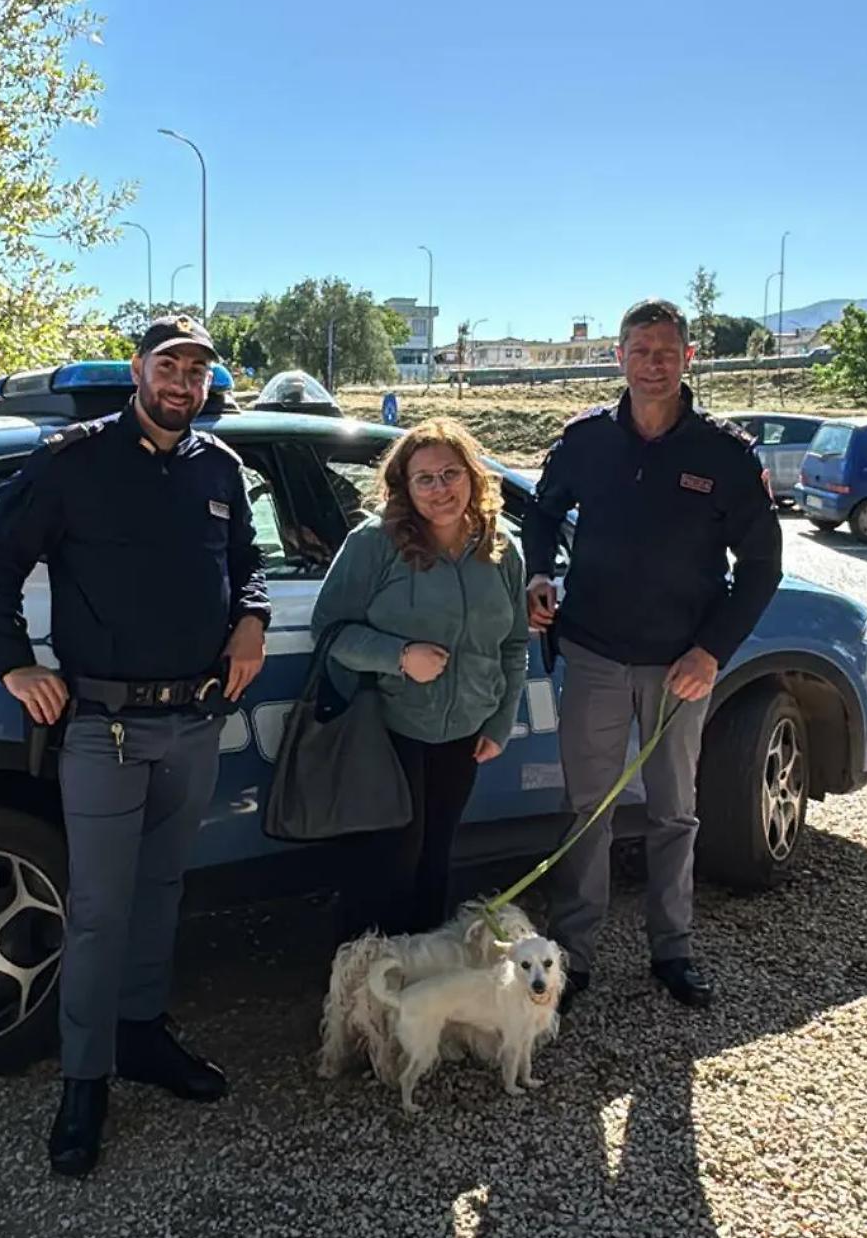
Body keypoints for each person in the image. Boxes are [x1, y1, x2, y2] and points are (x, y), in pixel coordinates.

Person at [0, 316, 269, 1177]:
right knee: (100, 908)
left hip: (194, 720)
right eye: (169, 365)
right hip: (102, 725)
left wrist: (251, 620)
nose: (184, 381)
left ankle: (140, 1036)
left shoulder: (219, 468)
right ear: (139, 370)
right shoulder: (75, 460)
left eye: (199, 369)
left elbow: (246, 558)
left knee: (163, 888)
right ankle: (83, 1082)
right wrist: (15, 665)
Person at [522, 298, 782, 1011]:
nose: (654, 363)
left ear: (689, 358)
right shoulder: (583, 441)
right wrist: (537, 573)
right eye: (641, 349)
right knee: (588, 810)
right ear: (620, 356)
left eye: (668, 351)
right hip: (596, 653)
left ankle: (673, 949)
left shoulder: (724, 454)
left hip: (680, 667)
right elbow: (541, 513)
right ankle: (572, 956)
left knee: (674, 813)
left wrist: (712, 652)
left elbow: (761, 566)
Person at [311, 419, 529, 941]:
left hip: (464, 733)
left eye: (451, 473)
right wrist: (399, 656)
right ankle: (363, 991)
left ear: (474, 477)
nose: (440, 489)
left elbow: (514, 644)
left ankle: (421, 986)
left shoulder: (500, 548)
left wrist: (499, 723)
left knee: (435, 861)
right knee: (386, 867)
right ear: (404, 487)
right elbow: (330, 630)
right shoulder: (374, 543)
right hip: (389, 728)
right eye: (424, 479)